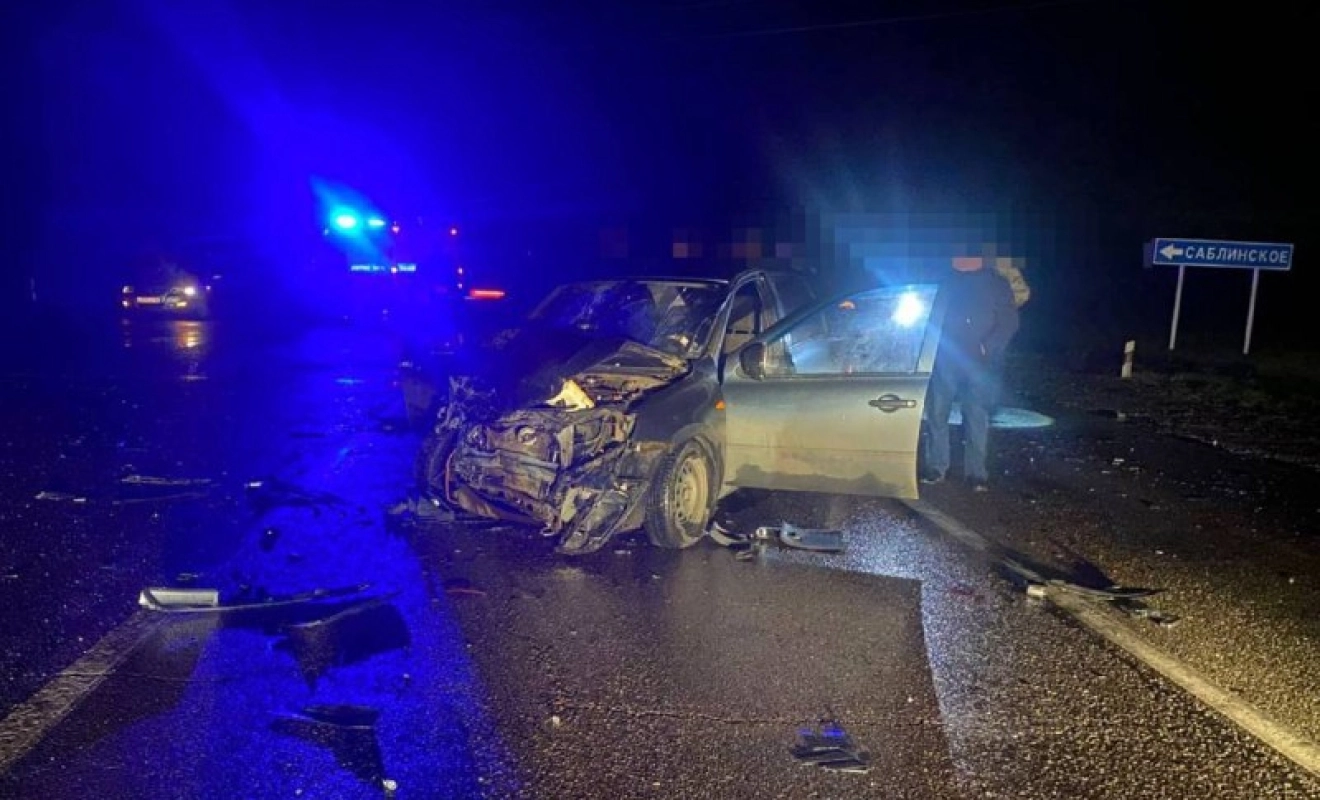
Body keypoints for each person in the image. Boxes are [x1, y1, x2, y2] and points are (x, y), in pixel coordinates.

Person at [922, 247, 1021, 492]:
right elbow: (929, 315)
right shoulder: (945, 281)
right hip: (945, 358)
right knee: (937, 413)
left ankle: (976, 474)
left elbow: (1009, 322)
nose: (956, 257)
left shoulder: (996, 283)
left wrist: (989, 347)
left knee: (976, 414)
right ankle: (936, 467)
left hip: (979, 362)